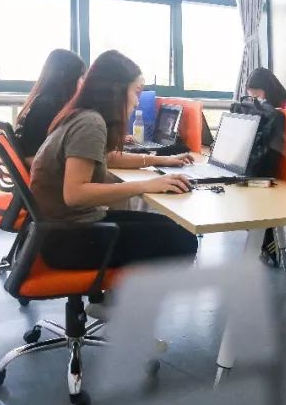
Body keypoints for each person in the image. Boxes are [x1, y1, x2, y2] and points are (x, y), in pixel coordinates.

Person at [30, 50, 199, 270]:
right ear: (117, 90)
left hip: (60, 231)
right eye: (136, 92)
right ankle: (130, 290)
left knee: (175, 228)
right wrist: (146, 185)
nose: (137, 102)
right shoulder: (91, 124)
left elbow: (108, 158)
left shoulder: (82, 115)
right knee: (184, 240)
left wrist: (162, 160)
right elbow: (75, 194)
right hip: (69, 240)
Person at [245, 68, 286, 263]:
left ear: (268, 89)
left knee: (258, 184)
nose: (255, 100)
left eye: (257, 95)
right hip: (271, 162)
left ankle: (271, 243)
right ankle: (265, 239)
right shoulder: (264, 108)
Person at [14, 49, 87, 160]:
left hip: (35, 165)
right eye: (81, 77)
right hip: (41, 166)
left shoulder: (40, 101)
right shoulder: (47, 107)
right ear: (67, 77)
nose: (83, 83)